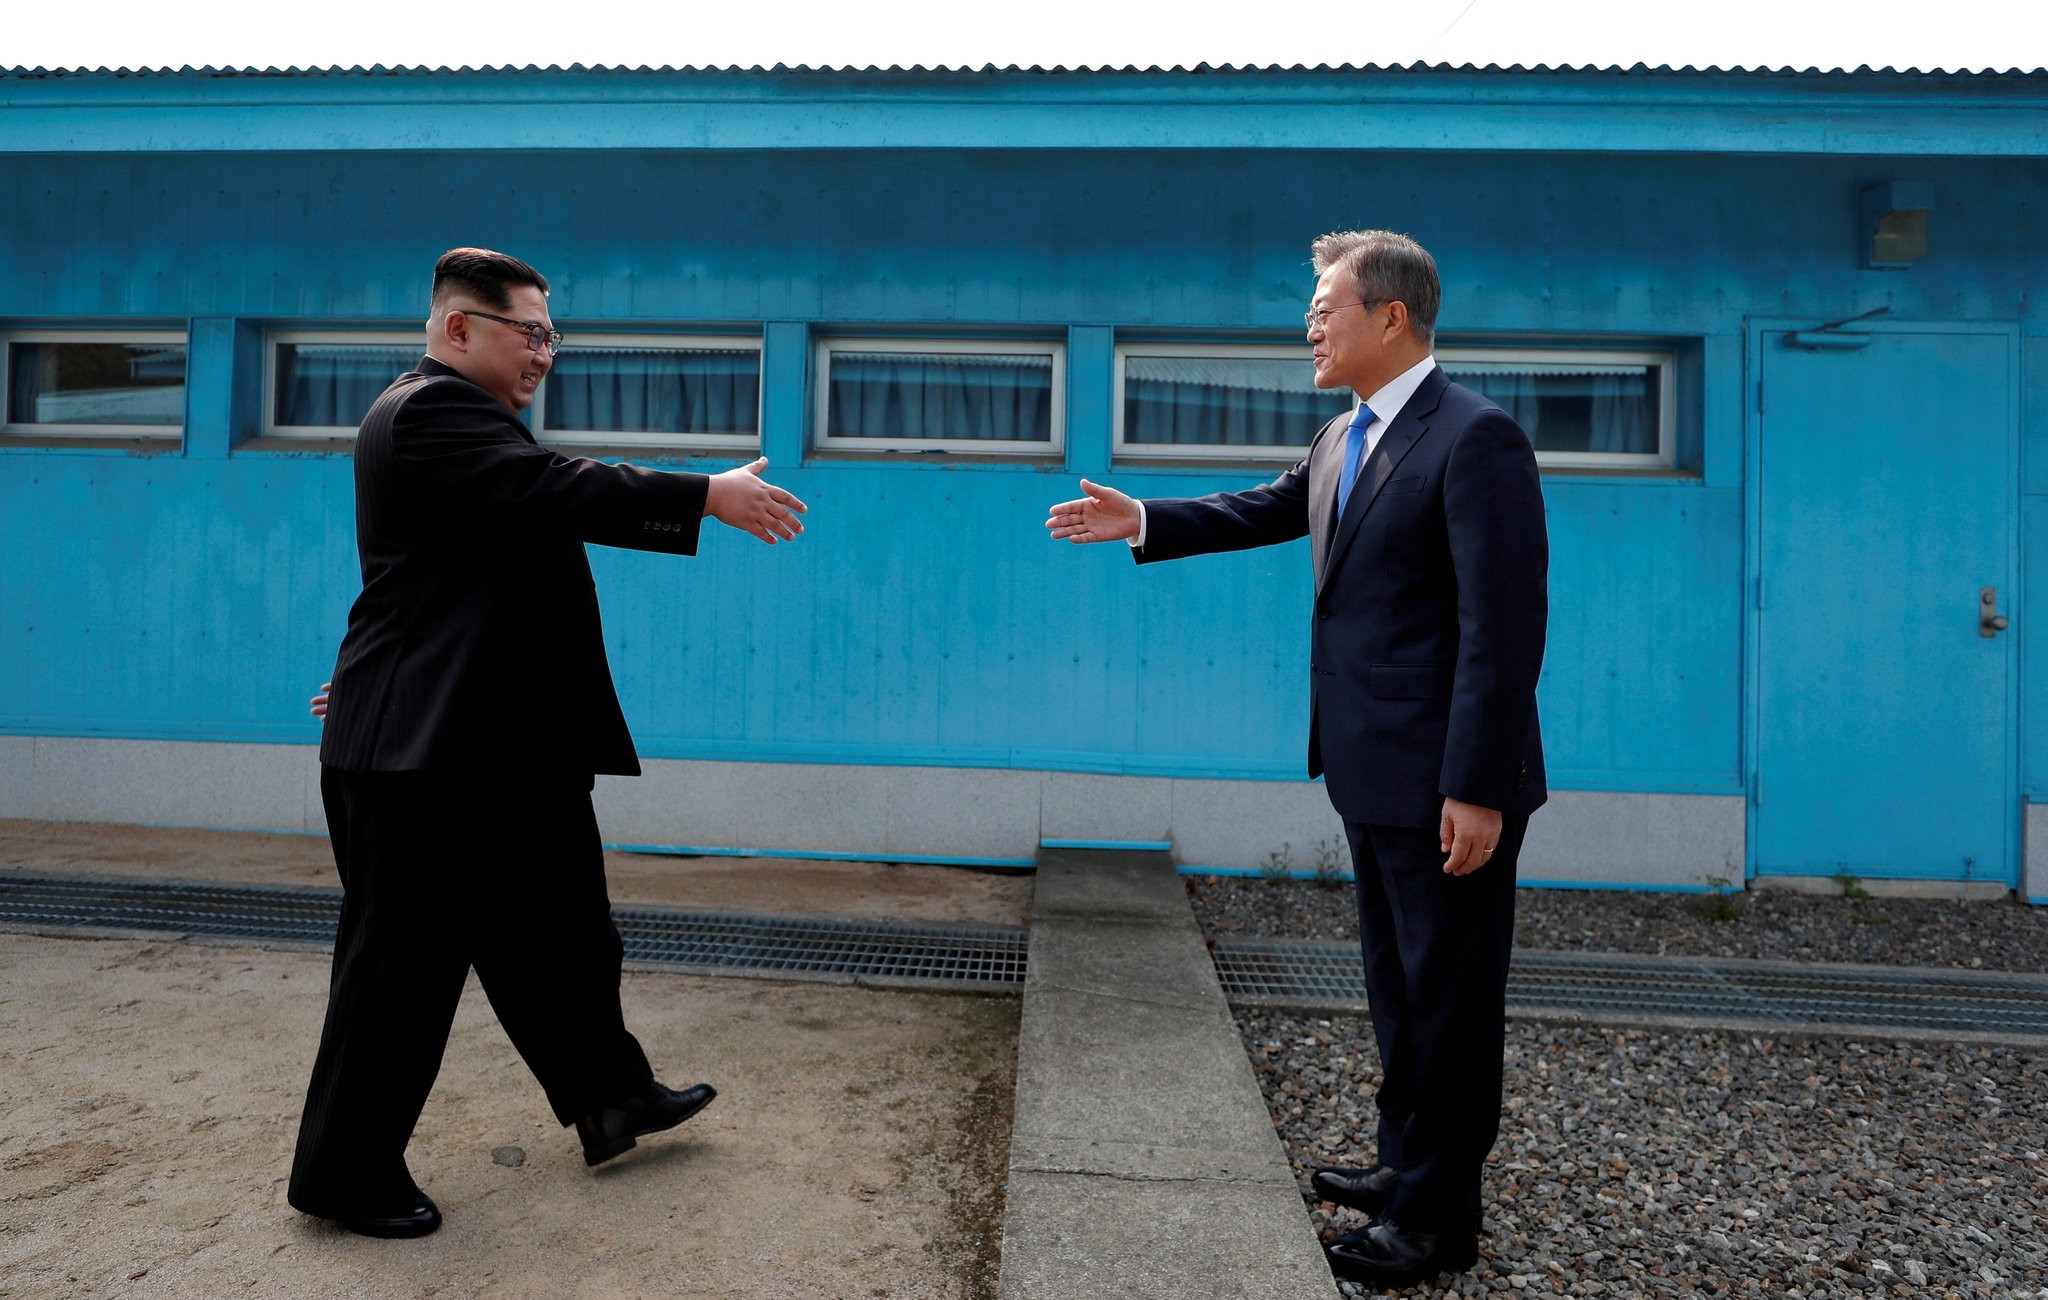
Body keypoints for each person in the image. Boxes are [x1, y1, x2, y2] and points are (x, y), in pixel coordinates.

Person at [1046, 230, 1547, 1288]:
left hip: (1446, 781)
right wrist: (1141, 516)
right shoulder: (1341, 437)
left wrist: (1473, 785)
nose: (1308, 325)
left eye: (1326, 306)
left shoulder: (1475, 438)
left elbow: (1502, 628)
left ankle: (1434, 1222)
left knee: (1450, 1001)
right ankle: (1402, 1163)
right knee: (1396, 988)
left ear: (1391, 318)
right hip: (1367, 766)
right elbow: (1262, 508)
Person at [289, 247, 808, 1240]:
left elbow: (446, 588)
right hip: (424, 764)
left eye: (551, 335)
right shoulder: (430, 410)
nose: (544, 353)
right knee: (399, 972)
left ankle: (611, 1098)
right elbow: (562, 488)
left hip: (485, 743)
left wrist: (377, 674)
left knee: (564, 935)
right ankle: (342, 1171)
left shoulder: (472, 430)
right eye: (528, 332)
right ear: (458, 330)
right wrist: (703, 493)